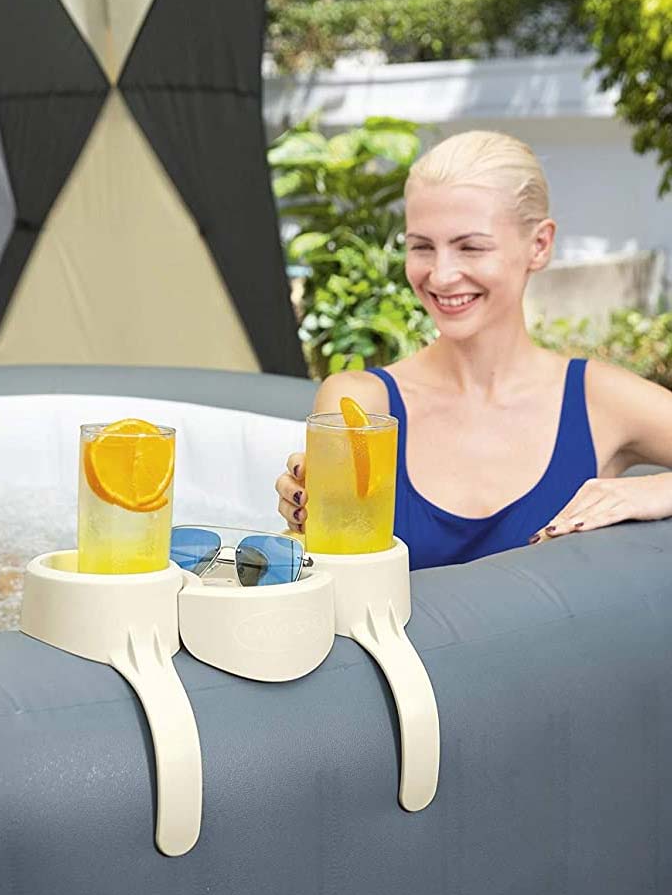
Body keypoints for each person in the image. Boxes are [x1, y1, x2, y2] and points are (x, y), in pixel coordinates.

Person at [276, 131, 672, 569]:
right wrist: (304, 524)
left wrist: (654, 491)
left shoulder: (600, 400)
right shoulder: (361, 403)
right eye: (422, 246)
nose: (441, 276)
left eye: (471, 247)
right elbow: (332, 575)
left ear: (539, 245)